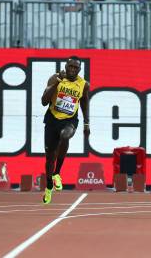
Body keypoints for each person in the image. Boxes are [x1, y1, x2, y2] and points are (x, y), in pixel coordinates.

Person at [41, 57, 90, 204]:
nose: (72, 70)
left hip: (69, 120)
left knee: (65, 136)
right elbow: (44, 101)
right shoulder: (54, 78)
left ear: (79, 70)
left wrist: (87, 123)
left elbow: (84, 101)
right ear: (66, 66)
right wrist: (57, 82)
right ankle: (49, 185)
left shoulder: (83, 84)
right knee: (49, 158)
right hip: (52, 119)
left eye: (76, 68)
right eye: (70, 67)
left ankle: (57, 174)